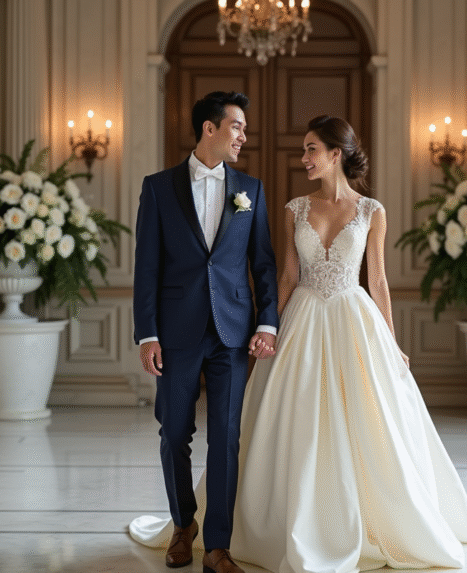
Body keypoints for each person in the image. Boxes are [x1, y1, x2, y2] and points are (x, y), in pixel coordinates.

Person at [130, 115, 467, 571]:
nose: (303, 158)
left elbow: (379, 280)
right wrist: (266, 328)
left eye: (310, 150)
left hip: (352, 316)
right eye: (303, 149)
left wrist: (391, 340)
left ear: (335, 154)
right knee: (287, 421)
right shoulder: (295, 209)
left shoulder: (372, 211)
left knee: (365, 422)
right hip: (301, 318)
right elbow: (286, 276)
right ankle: (248, 524)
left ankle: (357, 519)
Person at [132, 91, 279, 573]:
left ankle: (217, 544)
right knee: (174, 432)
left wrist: (266, 320)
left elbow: (263, 263)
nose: (243, 135)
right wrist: (146, 333)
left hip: (233, 332)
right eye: (236, 126)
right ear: (209, 129)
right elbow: (146, 266)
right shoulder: (158, 188)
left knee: (227, 437)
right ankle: (183, 524)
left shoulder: (250, 190)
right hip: (175, 331)